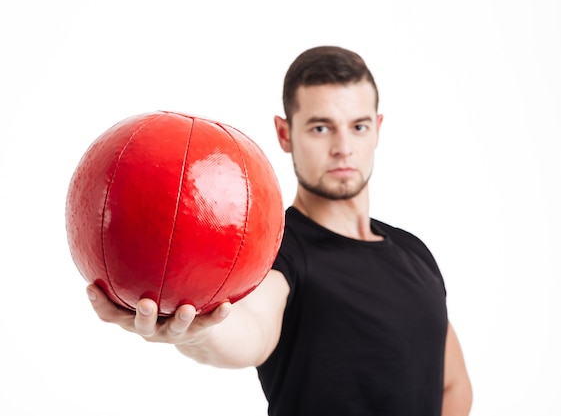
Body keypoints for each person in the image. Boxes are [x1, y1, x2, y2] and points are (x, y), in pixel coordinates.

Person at [86, 45, 473, 415]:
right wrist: (197, 332)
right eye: (321, 128)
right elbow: (250, 331)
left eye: (358, 126)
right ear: (285, 134)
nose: (343, 147)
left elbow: (453, 385)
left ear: (377, 129)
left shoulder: (414, 252)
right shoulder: (274, 251)